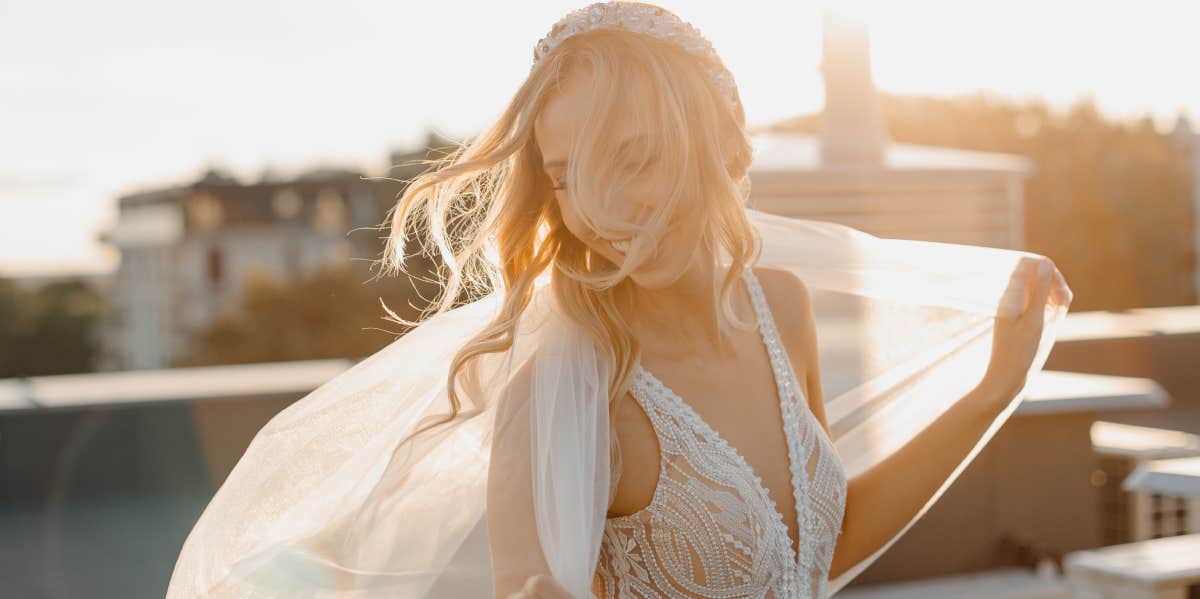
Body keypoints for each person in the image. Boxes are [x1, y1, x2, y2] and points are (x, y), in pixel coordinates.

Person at [166, 2, 1073, 598]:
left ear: (720, 146)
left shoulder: (780, 307)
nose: (601, 209)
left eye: (630, 159)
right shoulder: (567, 381)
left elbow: (824, 551)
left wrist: (995, 385)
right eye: (567, 177)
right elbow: (525, 581)